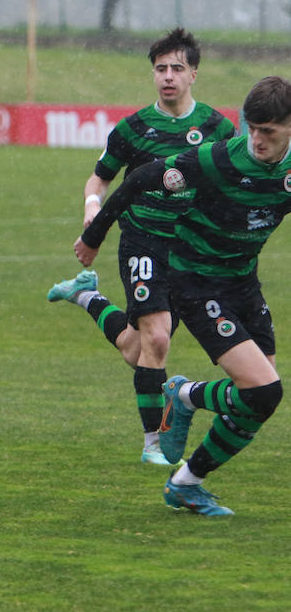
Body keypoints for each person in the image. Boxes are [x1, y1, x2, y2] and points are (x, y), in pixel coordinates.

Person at [75, 75, 291, 516]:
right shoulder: (218, 159)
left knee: (258, 401)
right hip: (195, 282)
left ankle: (186, 480)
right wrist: (94, 236)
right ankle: (184, 398)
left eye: (268, 132)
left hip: (243, 282)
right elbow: (139, 181)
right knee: (264, 390)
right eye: (252, 128)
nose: (257, 140)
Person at [47, 28, 236, 465]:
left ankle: (87, 296)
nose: (168, 76)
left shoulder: (217, 128)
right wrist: (92, 207)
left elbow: (227, 183)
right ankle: (154, 445)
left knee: (139, 349)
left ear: (193, 74)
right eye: (160, 68)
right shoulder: (132, 129)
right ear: (153, 73)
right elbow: (100, 178)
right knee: (158, 338)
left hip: (190, 249)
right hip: (142, 240)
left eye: (177, 68)